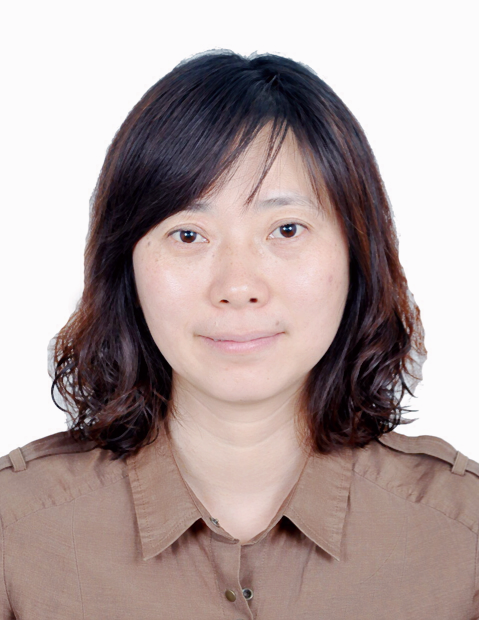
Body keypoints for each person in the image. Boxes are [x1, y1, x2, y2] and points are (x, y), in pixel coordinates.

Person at [0, 49, 478, 619]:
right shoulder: (17, 535)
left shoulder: (462, 535)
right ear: (125, 264)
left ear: (357, 253)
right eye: (188, 235)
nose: (238, 286)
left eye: (286, 229)